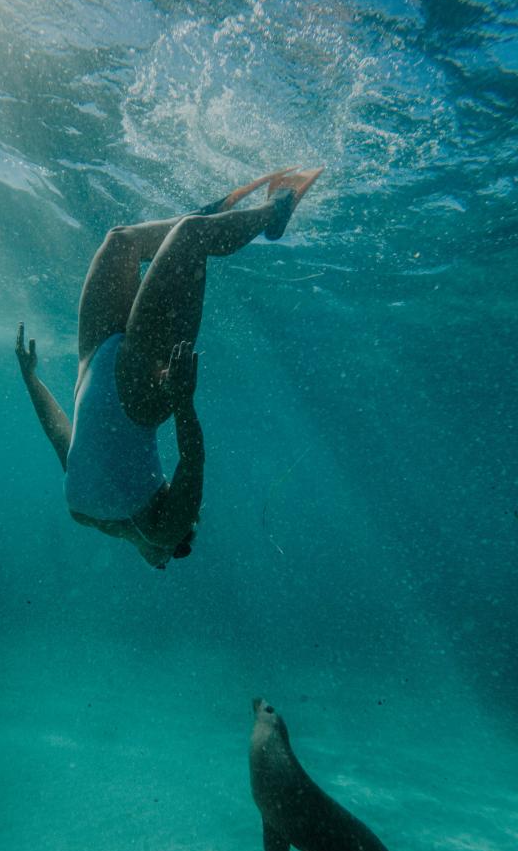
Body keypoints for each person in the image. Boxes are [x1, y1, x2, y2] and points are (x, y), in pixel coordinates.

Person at [16, 165, 323, 569]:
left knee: (120, 241)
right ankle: (275, 213)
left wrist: (30, 377)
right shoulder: (164, 530)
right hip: (139, 394)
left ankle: (209, 217)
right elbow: (192, 463)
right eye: (185, 539)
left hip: (94, 362)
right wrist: (182, 402)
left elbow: (61, 437)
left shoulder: (84, 513)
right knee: (191, 238)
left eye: (185, 539)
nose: (189, 531)